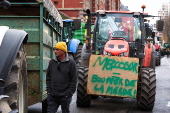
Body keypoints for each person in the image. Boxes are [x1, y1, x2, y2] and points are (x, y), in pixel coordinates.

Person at [46, 42, 78, 113]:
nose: (55, 51)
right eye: (55, 49)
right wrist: (49, 91)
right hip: (53, 96)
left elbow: (74, 80)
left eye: (57, 50)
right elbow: (48, 78)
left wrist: (68, 94)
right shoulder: (52, 62)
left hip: (65, 96)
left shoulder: (71, 63)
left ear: (63, 51)